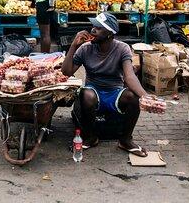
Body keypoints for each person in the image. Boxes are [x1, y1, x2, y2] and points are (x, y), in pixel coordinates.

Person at [61, 12, 148, 157]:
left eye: (99, 28)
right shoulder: (85, 48)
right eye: (93, 26)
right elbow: (66, 72)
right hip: (93, 92)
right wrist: (73, 46)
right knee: (86, 94)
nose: (93, 30)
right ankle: (90, 137)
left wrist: (146, 96)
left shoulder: (122, 48)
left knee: (133, 97)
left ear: (109, 34)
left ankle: (125, 140)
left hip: (115, 93)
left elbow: (129, 76)